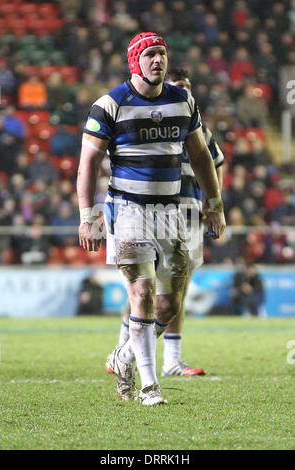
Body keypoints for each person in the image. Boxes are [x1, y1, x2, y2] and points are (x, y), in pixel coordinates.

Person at [77, 32, 226, 406]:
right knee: (141, 295)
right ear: (135, 61)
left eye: (162, 53)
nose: (158, 60)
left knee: (169, 304)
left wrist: (215, 203)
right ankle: (149, 385)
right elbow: (89, 163)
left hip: (171, 212)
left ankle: (123, 356)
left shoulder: (182, 101)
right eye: (150, 54)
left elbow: (203, 156)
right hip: (127, 210)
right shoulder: (110, 104)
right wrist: (86, 215)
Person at [106, 68, 225, 377]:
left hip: (188, 211)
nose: (182, 91)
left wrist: (212, 202)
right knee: (141, 288)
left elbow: (214, 162)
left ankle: (169, 358)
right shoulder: (145, 119)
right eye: (177, 85)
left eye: (187, 86)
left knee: (177, 290)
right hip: (148, 210)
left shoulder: (196, 126)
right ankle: (125, 349)